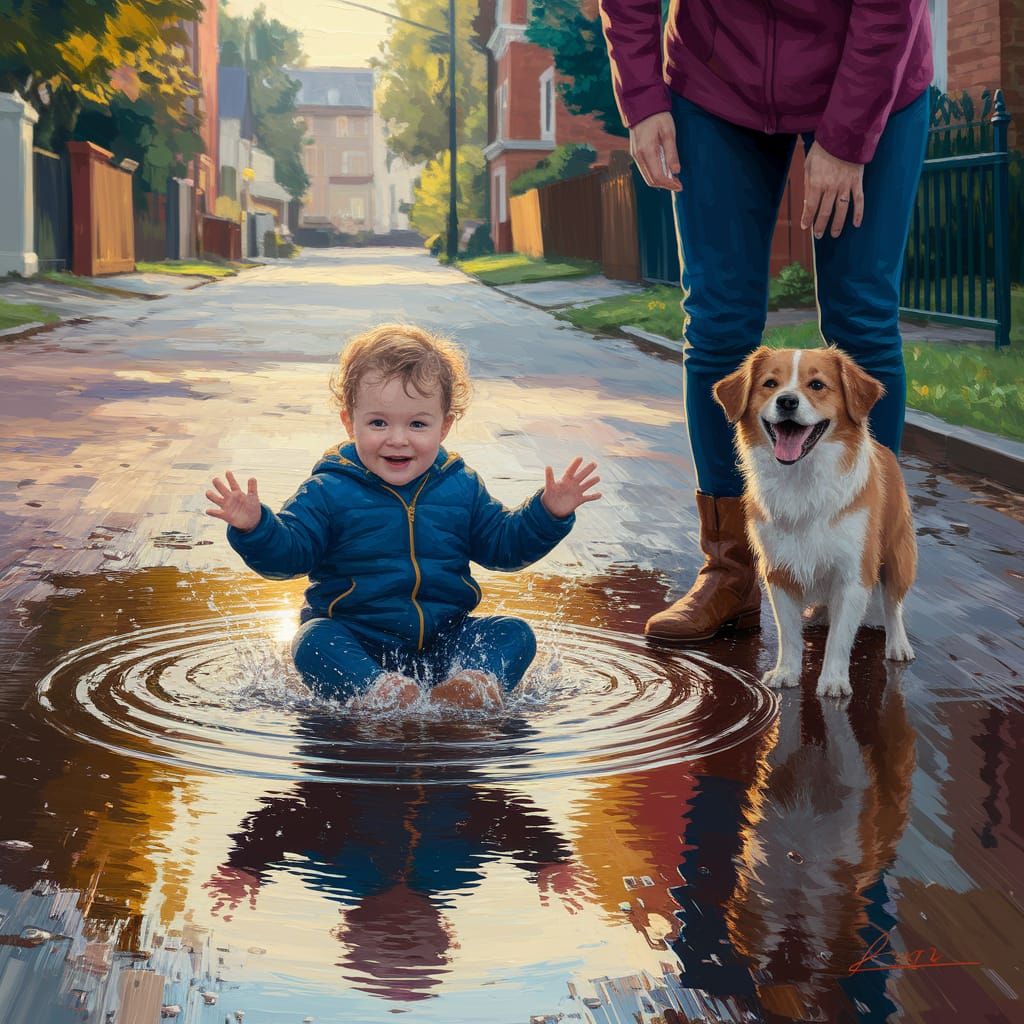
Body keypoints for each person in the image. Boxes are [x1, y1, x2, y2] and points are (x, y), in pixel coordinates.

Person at [598, 0, 932, 643]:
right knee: (719, 324)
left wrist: (847, 136)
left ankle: (863, 561)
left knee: (860, 318)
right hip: (717, 81)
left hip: (869, 73)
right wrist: (642, 98)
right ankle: (732, 569)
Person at [206, 323, 601, 709]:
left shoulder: (460, 485)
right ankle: (378, 691)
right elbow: (289, 556)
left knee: (514, 633)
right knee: (312, 640)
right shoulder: (328, 491)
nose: (397, 438)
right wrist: (255, 527)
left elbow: (503, 547)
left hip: (445, 643)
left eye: (417, 424)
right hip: (356, 643)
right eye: (378, 422)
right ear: (349, 422)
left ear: (444, 426)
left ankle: (470, 685)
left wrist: (548, 513)